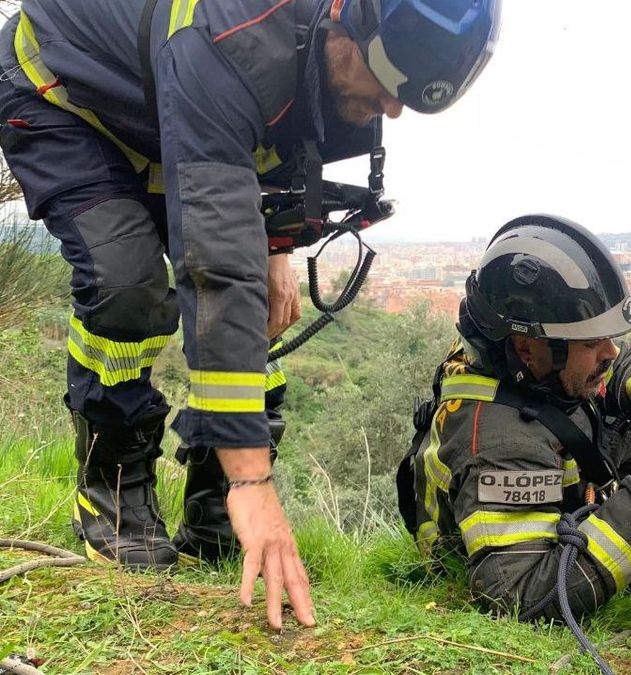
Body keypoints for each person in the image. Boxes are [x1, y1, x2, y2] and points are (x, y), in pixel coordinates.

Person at [0, 0, 500, 630]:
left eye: (409, 95)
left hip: (171, 109)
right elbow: (215, 260)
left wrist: (278, 246)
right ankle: (114, 486)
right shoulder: (230, 38)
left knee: (259, 307)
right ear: (345, 18)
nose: (393, 107)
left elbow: (267, 154)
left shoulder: (329, 55)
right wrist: (253, 482)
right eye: (386, 78)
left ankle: (211, 513)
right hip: (68, 99)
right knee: (128, 282)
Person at [399, 214, 631, 621]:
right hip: (532, 559)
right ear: (527, 348)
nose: (609, 352)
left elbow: (614, 371)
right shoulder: (504, 446)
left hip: (560, 481)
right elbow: (521, 596)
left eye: (610, 337)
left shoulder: (520, 361)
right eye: (591, 342)